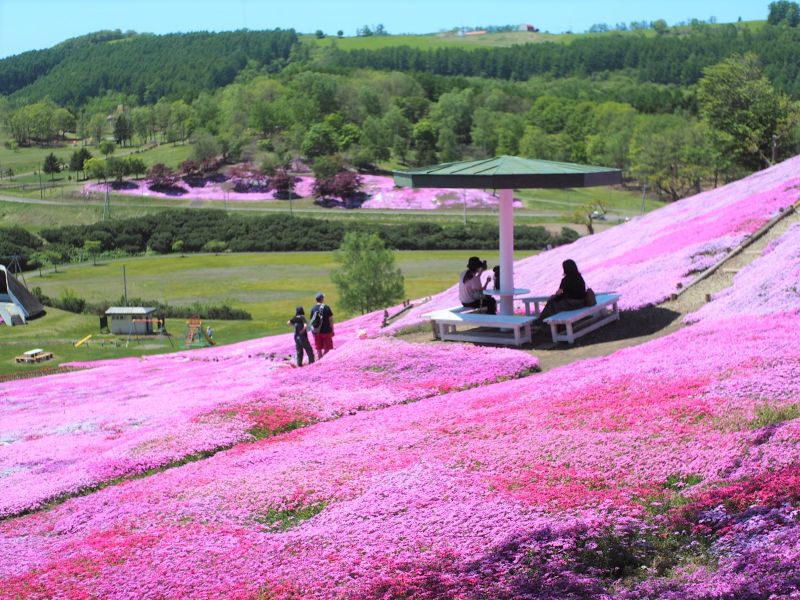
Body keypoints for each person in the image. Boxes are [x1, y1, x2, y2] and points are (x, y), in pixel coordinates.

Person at [535, 259, 587, 325]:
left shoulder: (565, 280)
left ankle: (541, 321)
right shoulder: (579, 277)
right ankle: (543, 321)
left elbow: (558, 293)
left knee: (551, 303)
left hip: (572, 304)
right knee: (553, 304)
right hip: (582, 302)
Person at [309, 292, 334, 360]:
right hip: (326, 331)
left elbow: (311, 322)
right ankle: (323, 360)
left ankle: (320, 360)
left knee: (319, 349)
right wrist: (332, 330)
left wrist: (313, 332)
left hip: (317, 332)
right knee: (327, 348)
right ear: (322, 299)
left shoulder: (313, 309)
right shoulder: (326, 307)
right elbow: (331, 320)